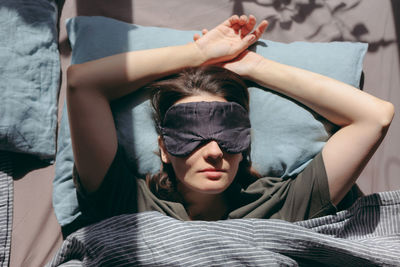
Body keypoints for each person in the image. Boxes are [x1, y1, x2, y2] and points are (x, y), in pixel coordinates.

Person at [66, 15, 394, 226]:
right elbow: (83, 84)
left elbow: (374, 116)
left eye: (227, 132)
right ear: (164, 148)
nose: (214, 151)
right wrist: (198, 55)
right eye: (192, 132)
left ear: (245, 141)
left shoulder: (284, 205)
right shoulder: (126, 201)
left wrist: (254, 66)